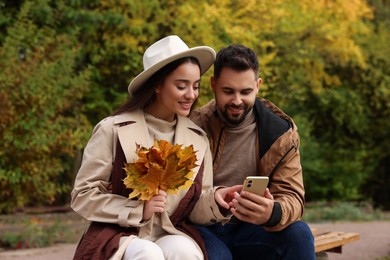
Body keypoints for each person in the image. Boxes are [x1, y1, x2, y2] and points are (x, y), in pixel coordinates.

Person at [70, 35, 236, 260]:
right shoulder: (113, 129)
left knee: (185, 250)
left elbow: (195, 205)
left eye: (195, 86)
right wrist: (138, 210)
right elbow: (83, 195)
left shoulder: (197, 138)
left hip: (171, 231)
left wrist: (217, 199)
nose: (191, 95)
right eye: (181, 86)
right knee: (148, 253)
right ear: (157, 85)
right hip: (120, 233)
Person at [190, 44, 316, 259]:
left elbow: (292, 195)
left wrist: (272, 213)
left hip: (250, 228)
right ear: (213, 84)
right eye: (228, 91)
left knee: (299, 234)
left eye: (246, 92)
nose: (237, 101)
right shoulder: (193, 125)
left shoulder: (280, 132)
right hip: (202, 228)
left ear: (258, 86)